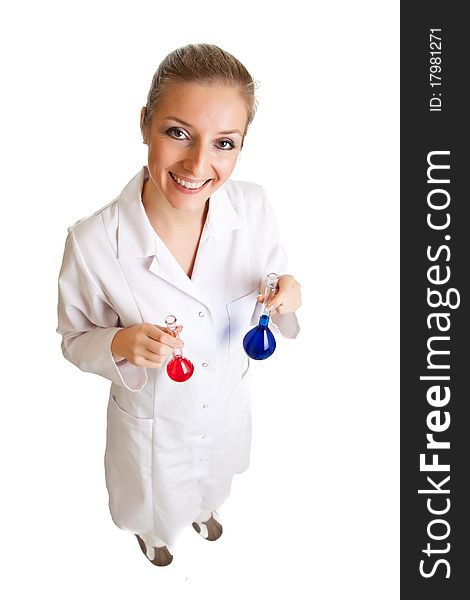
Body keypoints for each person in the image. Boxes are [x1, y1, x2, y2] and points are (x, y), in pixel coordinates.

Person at [56, 43, 301, 567]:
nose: (198, 164)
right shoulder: (94, 242)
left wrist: (288, 294)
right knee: (152, 493)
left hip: (227, 403)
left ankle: (204, 507)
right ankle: (154, 533)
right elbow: (74, 340)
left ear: (241, 146)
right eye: (177, 132)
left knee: (218, 471)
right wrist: (118, 343)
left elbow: (275, 278)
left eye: (224, 143)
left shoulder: (254, 207)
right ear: (144, 124)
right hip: (154, 423)